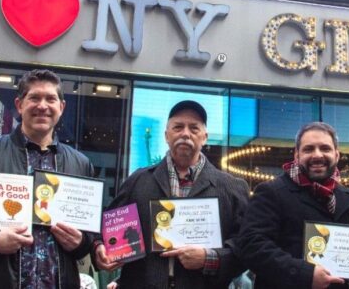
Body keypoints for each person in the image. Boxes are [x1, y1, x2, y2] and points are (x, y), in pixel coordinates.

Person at [0, 69, 94, 289]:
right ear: (20, 105)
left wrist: (81, 242)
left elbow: (90, 235)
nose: (42, 105)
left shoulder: (80, 164)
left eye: (50, 98)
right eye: (34, 98)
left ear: (61, 107)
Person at [92, 100, 250, 287]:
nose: (185, 133)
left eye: (194, 128)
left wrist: (209, 258)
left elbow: (247, 248)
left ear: (205, 137)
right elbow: (105, 228)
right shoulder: (138, 181)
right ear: (167, 135)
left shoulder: (232, 188)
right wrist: (99, 248)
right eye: (178, 127)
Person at [236, 122, 349, 288]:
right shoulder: (271, 192)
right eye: (308, 149)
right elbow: (251, 246)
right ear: (296, 155)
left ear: (336, 155)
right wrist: (305, 274)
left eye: (325, 148)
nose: (317, 155)